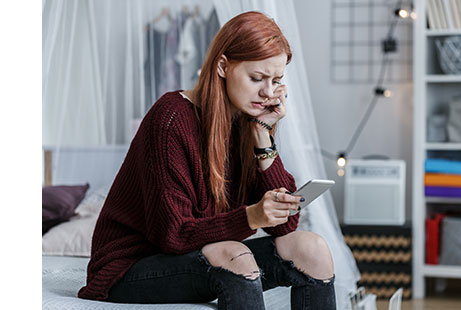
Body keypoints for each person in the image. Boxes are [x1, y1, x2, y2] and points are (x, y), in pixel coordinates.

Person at [78, 11, 336, 309]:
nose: (267, 92)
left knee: (311, 248)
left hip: (198, 253)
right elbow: (174, 235)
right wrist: (251, 217)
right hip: (131, 266)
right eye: (257, 78)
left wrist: (264, 138)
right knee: (235, 255)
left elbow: (285, 228)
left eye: (276, 80)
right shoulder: (171, 117)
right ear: (223, 66)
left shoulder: (247, 122)